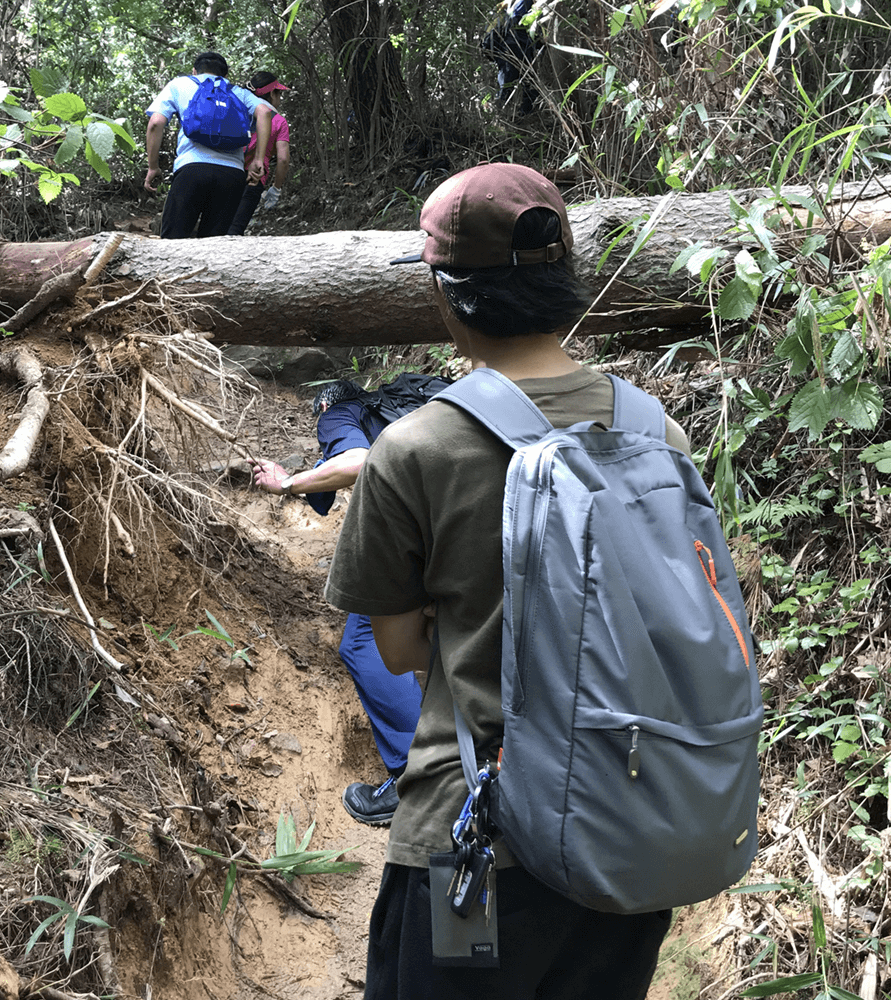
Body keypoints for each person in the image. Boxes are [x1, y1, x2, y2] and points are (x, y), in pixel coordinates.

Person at [324, 163, 686, 998]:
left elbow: (402, 647)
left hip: (477, 841)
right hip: (634, 832)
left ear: (448, 295)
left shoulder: (415, 448)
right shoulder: (654, 427)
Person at [247, 380, 424, 826]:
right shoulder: (419, 398)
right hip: (496, 526)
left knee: (363, 645)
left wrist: (286, 482)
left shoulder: (339, 412)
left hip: (421, 535)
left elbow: (357, 461)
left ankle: (418, 780)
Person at [144, 51, 273, 239]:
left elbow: (155, 123)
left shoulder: (180, 85)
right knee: (214, 246)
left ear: (194, 71)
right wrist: (258, 159)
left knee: (172, 243)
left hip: (191, 171)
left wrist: (153, 167)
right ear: (224, 75)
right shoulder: (237, 92)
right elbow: (265, 112)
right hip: (232, 176)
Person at [227, 71, 292, 236]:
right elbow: (283, 160)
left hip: (226, 171)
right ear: (272, 93)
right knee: (235, 230)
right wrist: (276, 188)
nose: (281, 99)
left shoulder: (237, 109)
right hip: (254, 179)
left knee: (215, 226)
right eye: (279, 94)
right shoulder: (278, 121)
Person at [481, 0, 542, 116]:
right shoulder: (524, 2)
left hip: (507, 46)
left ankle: (515, 115)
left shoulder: (510, 3)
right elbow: (522, 25)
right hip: (515, 46)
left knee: (520, 81)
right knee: (521, 81)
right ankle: (502, 115)